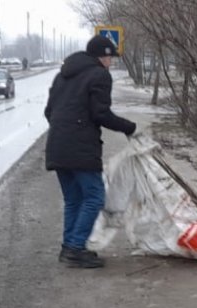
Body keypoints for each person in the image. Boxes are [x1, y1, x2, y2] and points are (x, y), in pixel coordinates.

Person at [44, 35, 136, 268]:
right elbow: (100, 114)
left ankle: (69, 248)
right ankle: (75, 248)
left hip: (57, 144)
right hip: (81, 147)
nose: (111, 62)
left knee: (74, 199)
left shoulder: (62, 75)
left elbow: (49, 111)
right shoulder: (99, 75)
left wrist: (66, 128)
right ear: (102, 56)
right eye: (110, 57)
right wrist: (129, 127)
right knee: (94, 197)